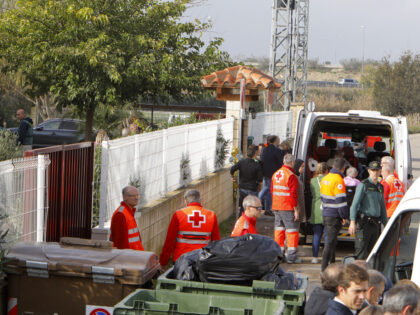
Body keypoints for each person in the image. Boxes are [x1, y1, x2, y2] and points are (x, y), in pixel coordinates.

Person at [159, 189, 220, 266]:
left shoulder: (178, 215)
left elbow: (170, 240)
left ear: (186, 201)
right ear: (200, 200)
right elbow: (216, 242)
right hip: (202, 259)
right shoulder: (211, 215)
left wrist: (163, 262)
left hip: (181, 259)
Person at [349, 161, 388, 259]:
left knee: (373, 254)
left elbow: (382, 207)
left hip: (375, 225)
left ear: (380, 172)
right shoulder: (363, 185)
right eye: (373, 170)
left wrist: (386, 225)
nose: (375, 172)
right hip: (364, 224)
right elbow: (354, 205)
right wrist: (352, 222)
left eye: (377, 170)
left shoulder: (380, 187)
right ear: (369, 171)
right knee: (361, 252)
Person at [271, 153, 301, 264]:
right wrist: (296, 209)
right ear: (292, 163)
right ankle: (291, 257)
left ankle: (278, 255)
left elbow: (272, 191)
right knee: (292, 230)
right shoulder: (291, 175)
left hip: (276, 206)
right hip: (287, 206)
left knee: (279, 230)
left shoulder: (276, 174)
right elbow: (293, 194)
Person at [320, 157, 349, 271]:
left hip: (326, 213)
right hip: (334, 215)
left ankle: (332, 263)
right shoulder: (339, 180)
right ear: (343, 168)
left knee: (331, 241)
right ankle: (324, 268)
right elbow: (341, 201)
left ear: (333, 167)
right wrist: (344, 216)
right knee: (330, 243)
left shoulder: (325, 178)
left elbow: (323, 197)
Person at [230, 146, 263, 216]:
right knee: (252, 208)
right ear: (255, 154)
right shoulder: (257, 165)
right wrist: (260, 188)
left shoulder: (242, 162)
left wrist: (232, 177)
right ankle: (250, 222)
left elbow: (232, 169)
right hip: (253, 189)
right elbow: (260, 180)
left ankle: (241, 221)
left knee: (243, 207)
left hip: (242, 188)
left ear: (247, 154)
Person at [110, 186, 144, 250]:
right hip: (129, 257)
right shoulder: (120, 214)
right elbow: (120, 243)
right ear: (124, 197)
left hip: (134, 255)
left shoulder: (127, 212)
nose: (136, 198)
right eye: (132, 196)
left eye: (137, 195)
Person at [259, 135, 284, 214]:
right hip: (273, 173)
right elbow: (280, 162)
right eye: (278, 140)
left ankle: (267, 208)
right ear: (275, 141)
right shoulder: (277, 150)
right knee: (267, 189)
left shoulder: (264, 149)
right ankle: (260, 204)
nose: (279, 141)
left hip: (264, 172)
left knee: (268, 190)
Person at [310, 162, 329, 264]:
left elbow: (312, 194)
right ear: (327, 170)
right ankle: (326, 258)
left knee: (317, 234)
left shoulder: (313, 181)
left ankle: (314, 257)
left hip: (316, 208)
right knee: (327, 235)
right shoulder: (329, 180)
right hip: (327, 209)